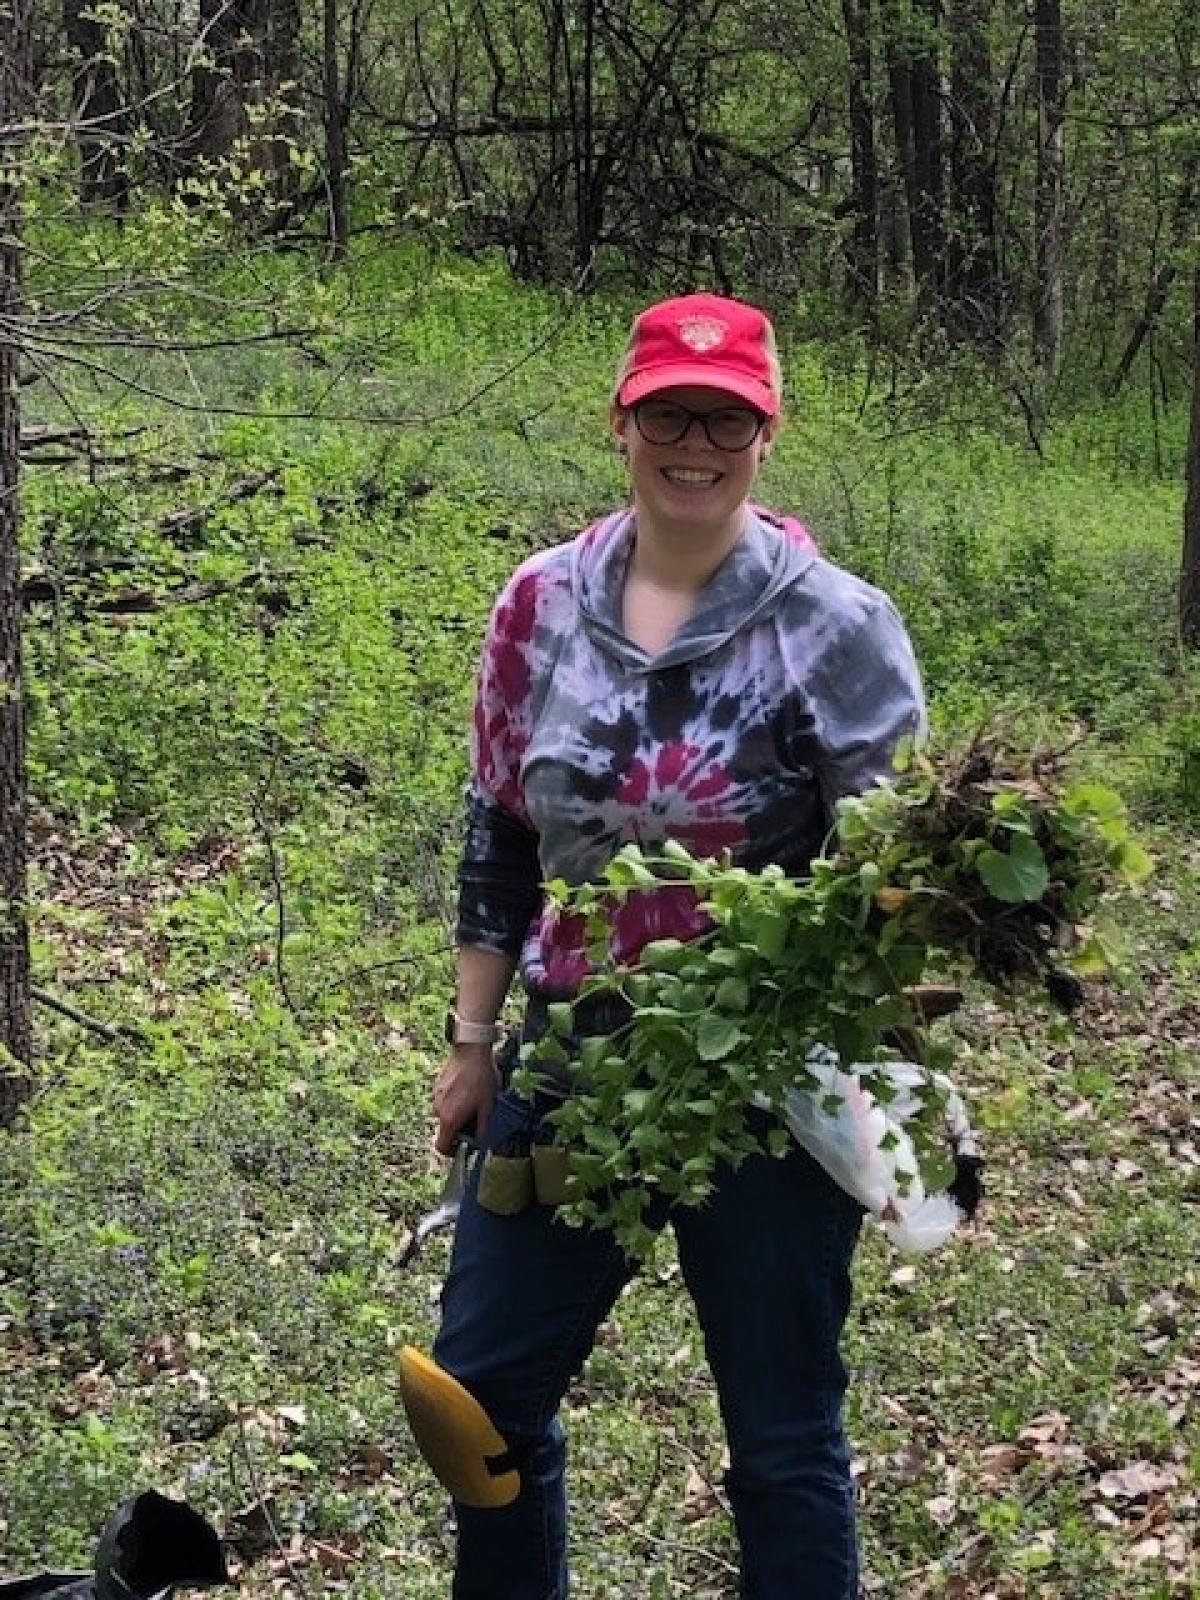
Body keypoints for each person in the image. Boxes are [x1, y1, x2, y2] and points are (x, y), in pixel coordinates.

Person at [429, 291, 926, 1599]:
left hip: (765, 1082)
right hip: (577, 1054)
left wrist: (895, 981)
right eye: (668, 412)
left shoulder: (837, 626)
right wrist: (474, 1043)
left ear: (767, 433)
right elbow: (497, 829)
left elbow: (891, 889)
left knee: (781, 1437)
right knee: (479, 1401)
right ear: (624, 420)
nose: (694, 441)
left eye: (726, 416)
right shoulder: (539, 604)